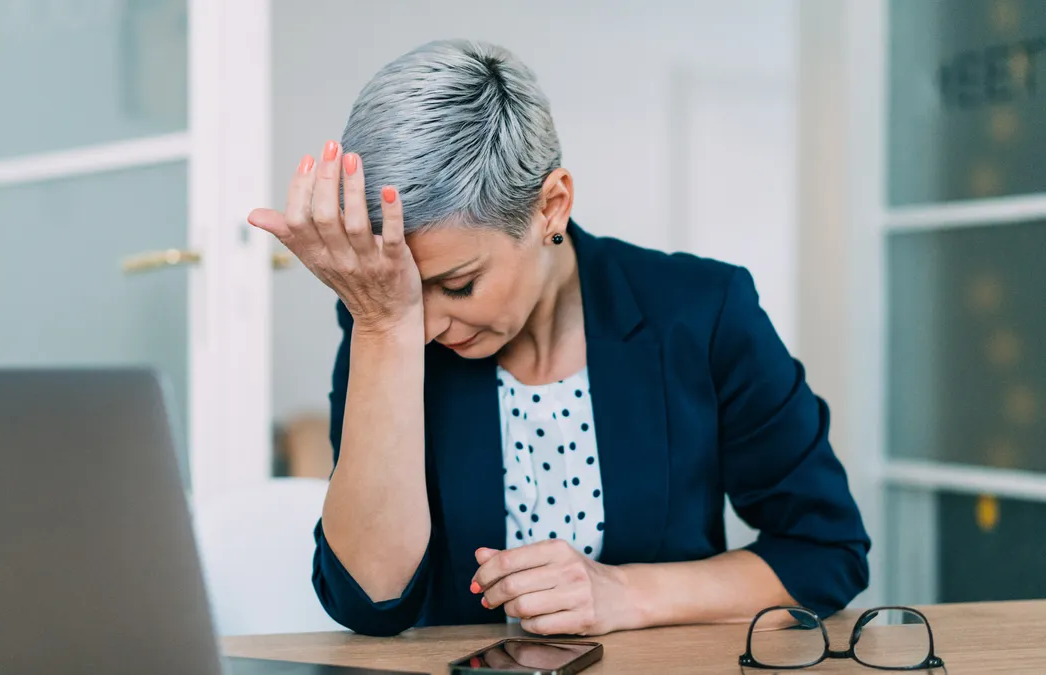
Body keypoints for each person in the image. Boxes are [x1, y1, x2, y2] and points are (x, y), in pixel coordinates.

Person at [248, 39, 869, 638]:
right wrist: (383, 329)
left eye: (458, 285)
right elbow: (370, 602)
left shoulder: (702, 311)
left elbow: (825, 550)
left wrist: (624, 594)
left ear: (552, 205)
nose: (429, 325)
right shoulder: (388, 322)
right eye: (409, 295)